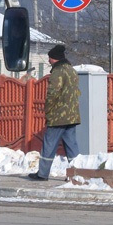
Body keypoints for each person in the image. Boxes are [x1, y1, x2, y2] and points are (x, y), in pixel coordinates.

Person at [29, 44, 80, 181]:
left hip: (59, 116)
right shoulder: (71, 70)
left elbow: (53, 93)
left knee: (49, 144)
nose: (49, 61)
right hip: (72, 115)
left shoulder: (57, 72)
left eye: (50, 58)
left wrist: (48, 110)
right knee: (71, 145)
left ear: (54, 58)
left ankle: (42, 174)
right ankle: (76, 174)